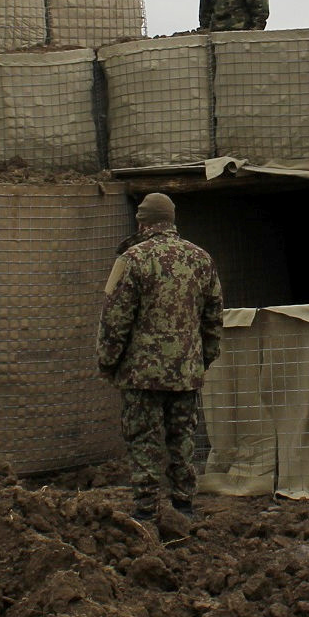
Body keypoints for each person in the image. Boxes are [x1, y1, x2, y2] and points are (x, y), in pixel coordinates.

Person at [96, 192, 225, 535]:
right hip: (185, 372)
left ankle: (145, 512)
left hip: (142, 375)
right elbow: (213, 318)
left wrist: (107, 362)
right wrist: (202, 360)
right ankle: (184, 507)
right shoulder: (201, 259)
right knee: (182, 439)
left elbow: (115, 319)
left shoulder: (132, 260)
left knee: (143, 440)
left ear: (142, 221)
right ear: (171, 220)